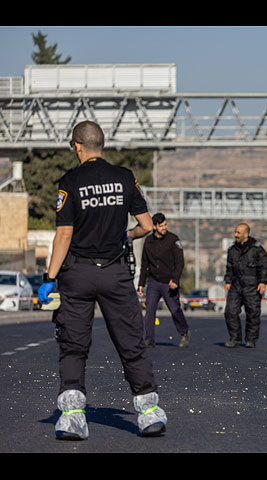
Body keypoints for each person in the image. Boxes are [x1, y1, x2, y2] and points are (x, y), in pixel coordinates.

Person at [37, 120, 167, 440]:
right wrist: (126, 235)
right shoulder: (124, 179)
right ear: (102, 145)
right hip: (115, 272)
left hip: (78, 274)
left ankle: (72, 418)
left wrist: (49, 277)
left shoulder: (70, 181)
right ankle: (149, 412)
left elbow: (64, 234)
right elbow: (147, 225)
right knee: (130, 341)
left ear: (77, 146)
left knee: (73, 344)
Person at [137, 213, 190, 348]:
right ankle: (149, 339)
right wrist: (141, 284)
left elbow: (180, 262)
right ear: (154, 226)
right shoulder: (148, 241)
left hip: (169, 282)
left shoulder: (173, 240)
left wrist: (175, 280)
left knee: (174, 310)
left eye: (165, 225)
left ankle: (184, 332)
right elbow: (145, 264)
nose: (164, 228)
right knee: (149, 310)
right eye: (161, 226)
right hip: (154, 282)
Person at [223, 223, 267, 348]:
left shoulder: (257, 249)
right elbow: (229, 267)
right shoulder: (232, 250)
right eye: (235, 232)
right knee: (230, 312)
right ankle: (235, 338)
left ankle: (251, 339)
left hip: (252, 285)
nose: (235, 235)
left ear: (246, 234)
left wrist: (262, 282)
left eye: (238, 233)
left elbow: (264, 267)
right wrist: (227, 281)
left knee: (253, 313)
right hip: (236, 284)